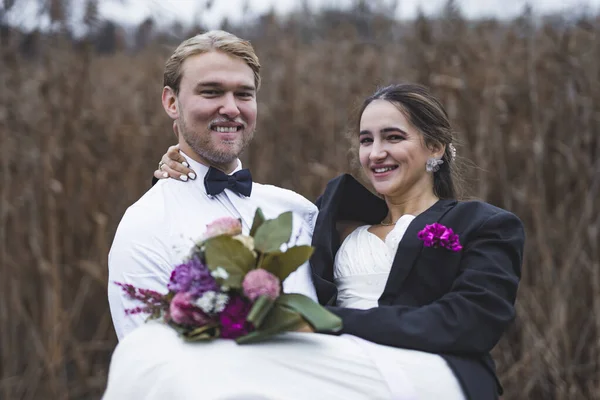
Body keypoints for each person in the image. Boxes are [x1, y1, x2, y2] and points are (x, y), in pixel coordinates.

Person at [130, 82, 525, 400]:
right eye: (366, 140)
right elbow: (238, 217)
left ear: (435, 147)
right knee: (151, 355)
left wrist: (327, 324)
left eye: (393, 137)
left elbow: (470, 323)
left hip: (429, 369)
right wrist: (177, 175)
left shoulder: (485, 224)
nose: (376, 153)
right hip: (335, 365)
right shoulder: (328, 221)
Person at [107, 30, 319, 342]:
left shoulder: (296, 209)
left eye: (244, 94)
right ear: (171, 102)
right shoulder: (145, 225)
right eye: (211, 92)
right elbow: (150, 359)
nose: (231, 108)